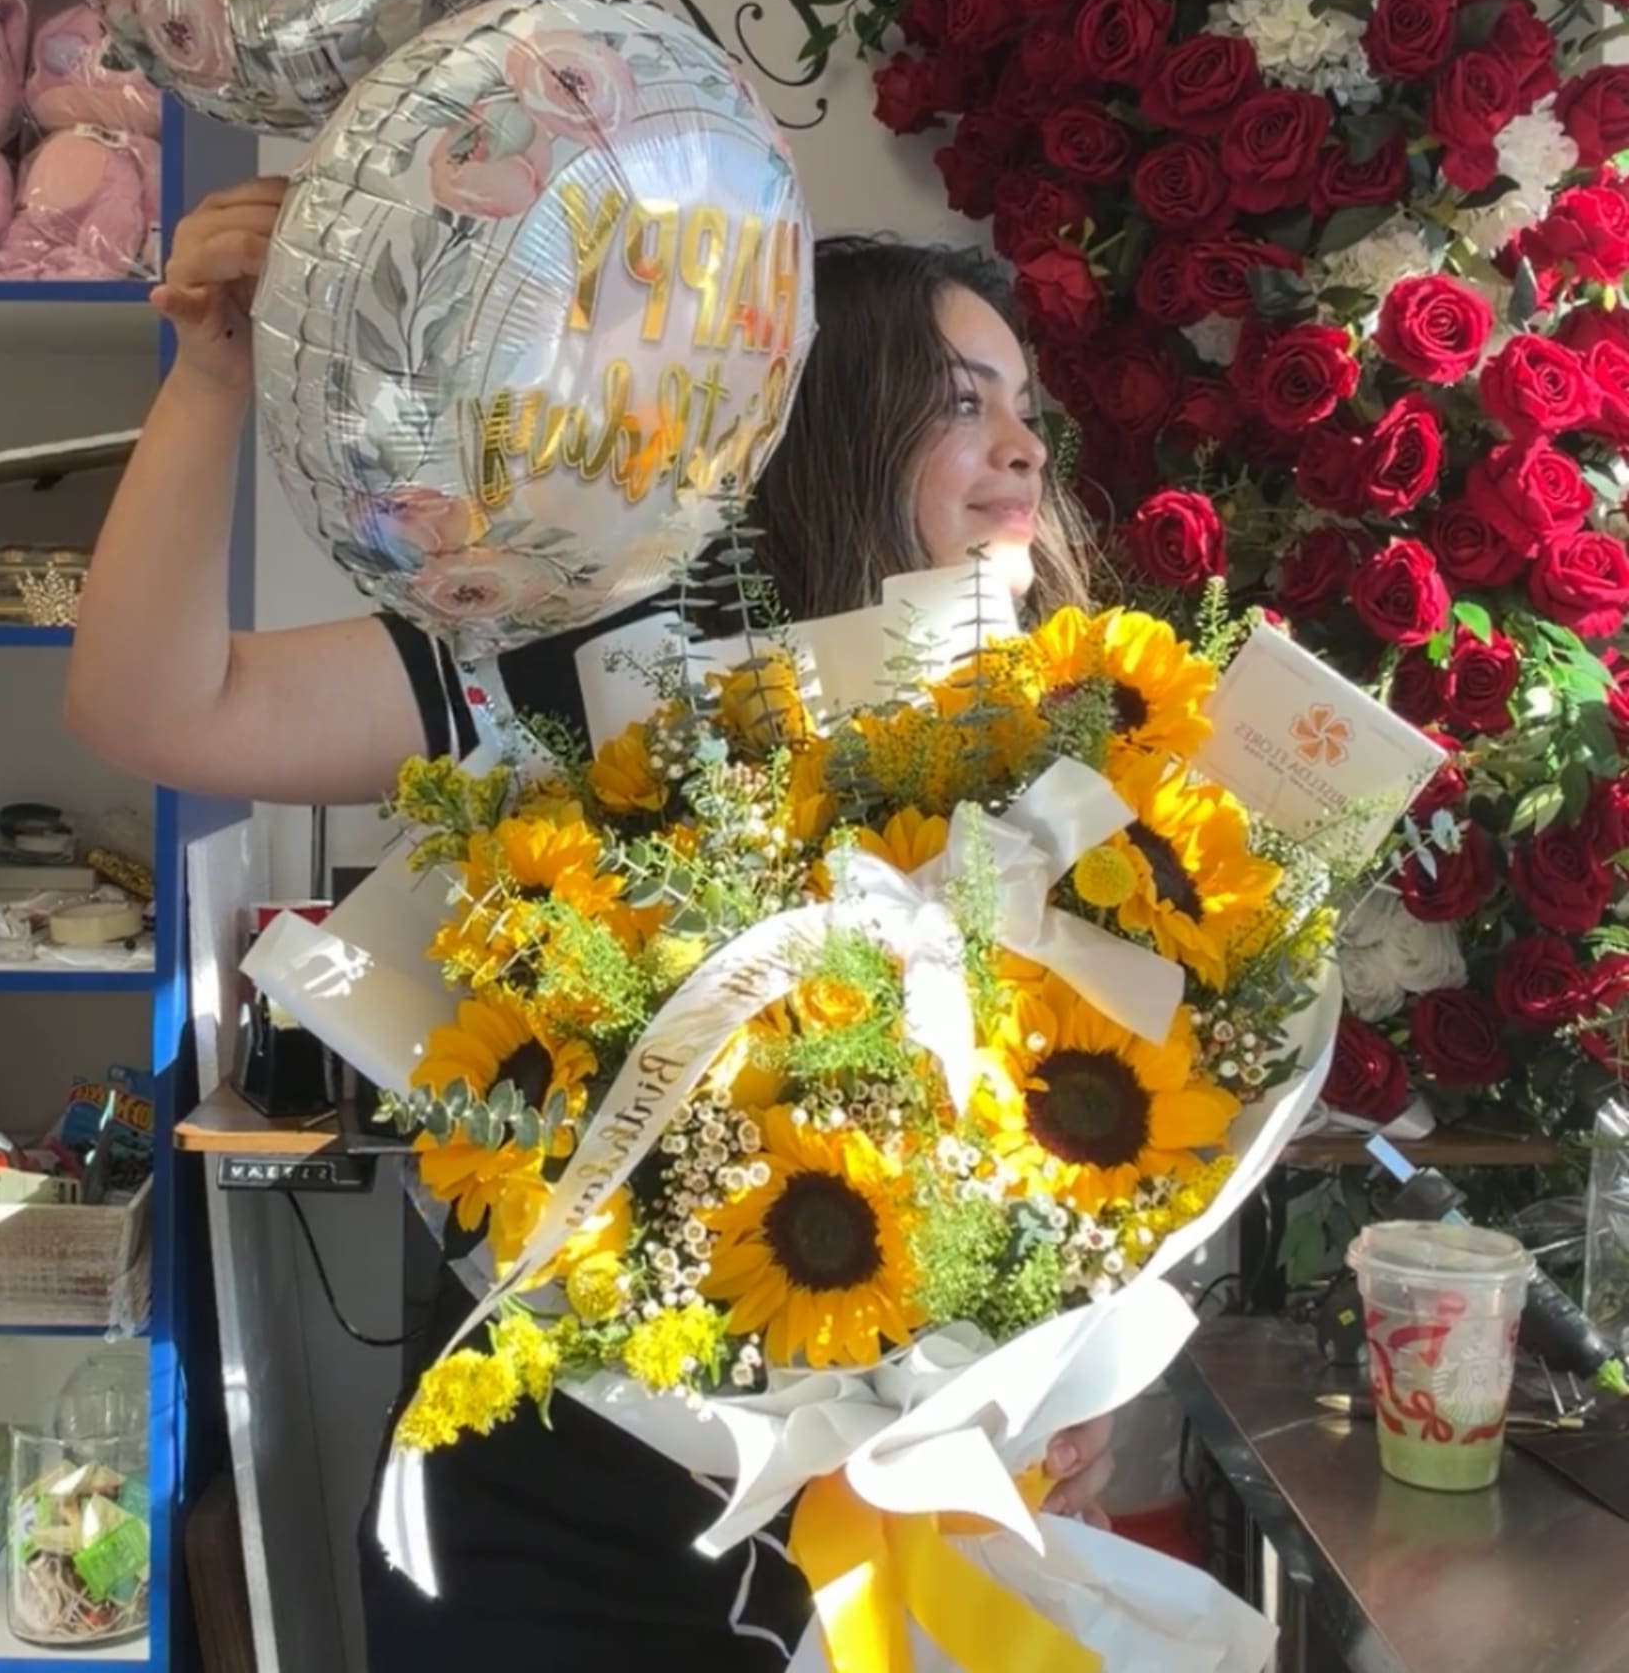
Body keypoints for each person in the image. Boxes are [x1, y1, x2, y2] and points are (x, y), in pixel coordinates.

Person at [67, 179, 1117, 1668]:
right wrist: (212, 381)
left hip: (892, 1548)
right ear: (812, 426)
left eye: (1028, 411)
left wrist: (1076, 1394)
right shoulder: (591, 672)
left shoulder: (1080, 763)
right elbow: (149, 706)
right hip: (552, 1529)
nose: (1021, 446)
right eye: (961, 402)